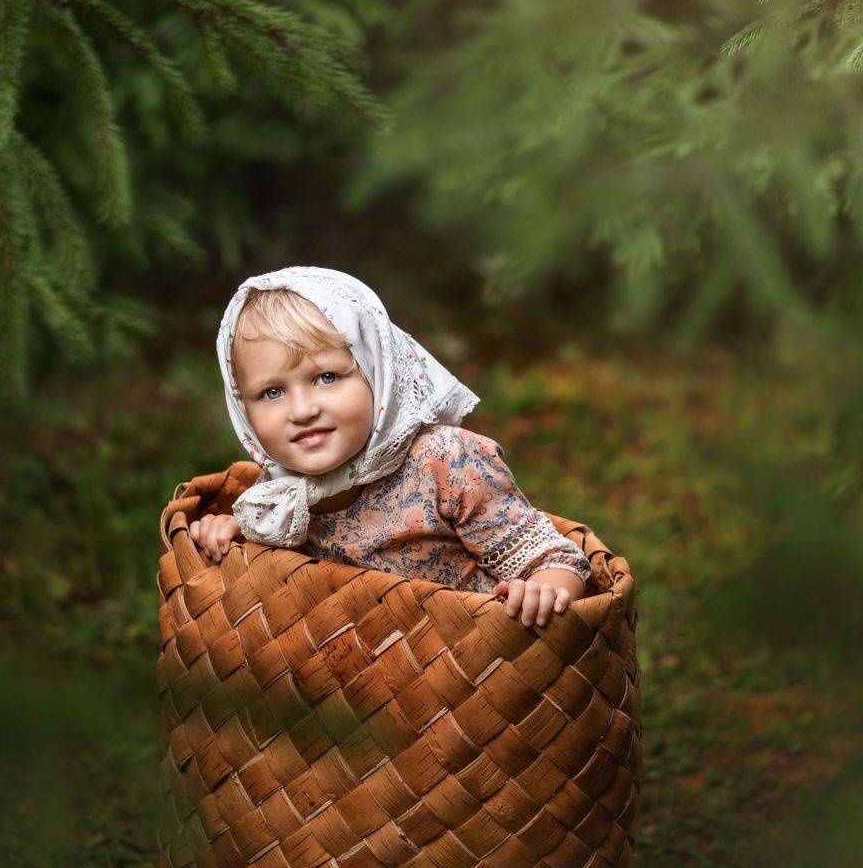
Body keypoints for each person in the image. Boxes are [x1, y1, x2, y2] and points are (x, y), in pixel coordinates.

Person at [190, 265, 592, 627]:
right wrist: (235, 533)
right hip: (372, 680)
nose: (302, 409)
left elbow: (553, 559)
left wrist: (544, 589)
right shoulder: (279, 494)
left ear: (376, 373)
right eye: (272, 391)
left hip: (477, 661)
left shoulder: (445, 460)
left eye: (327, 377)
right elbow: (279, 573)